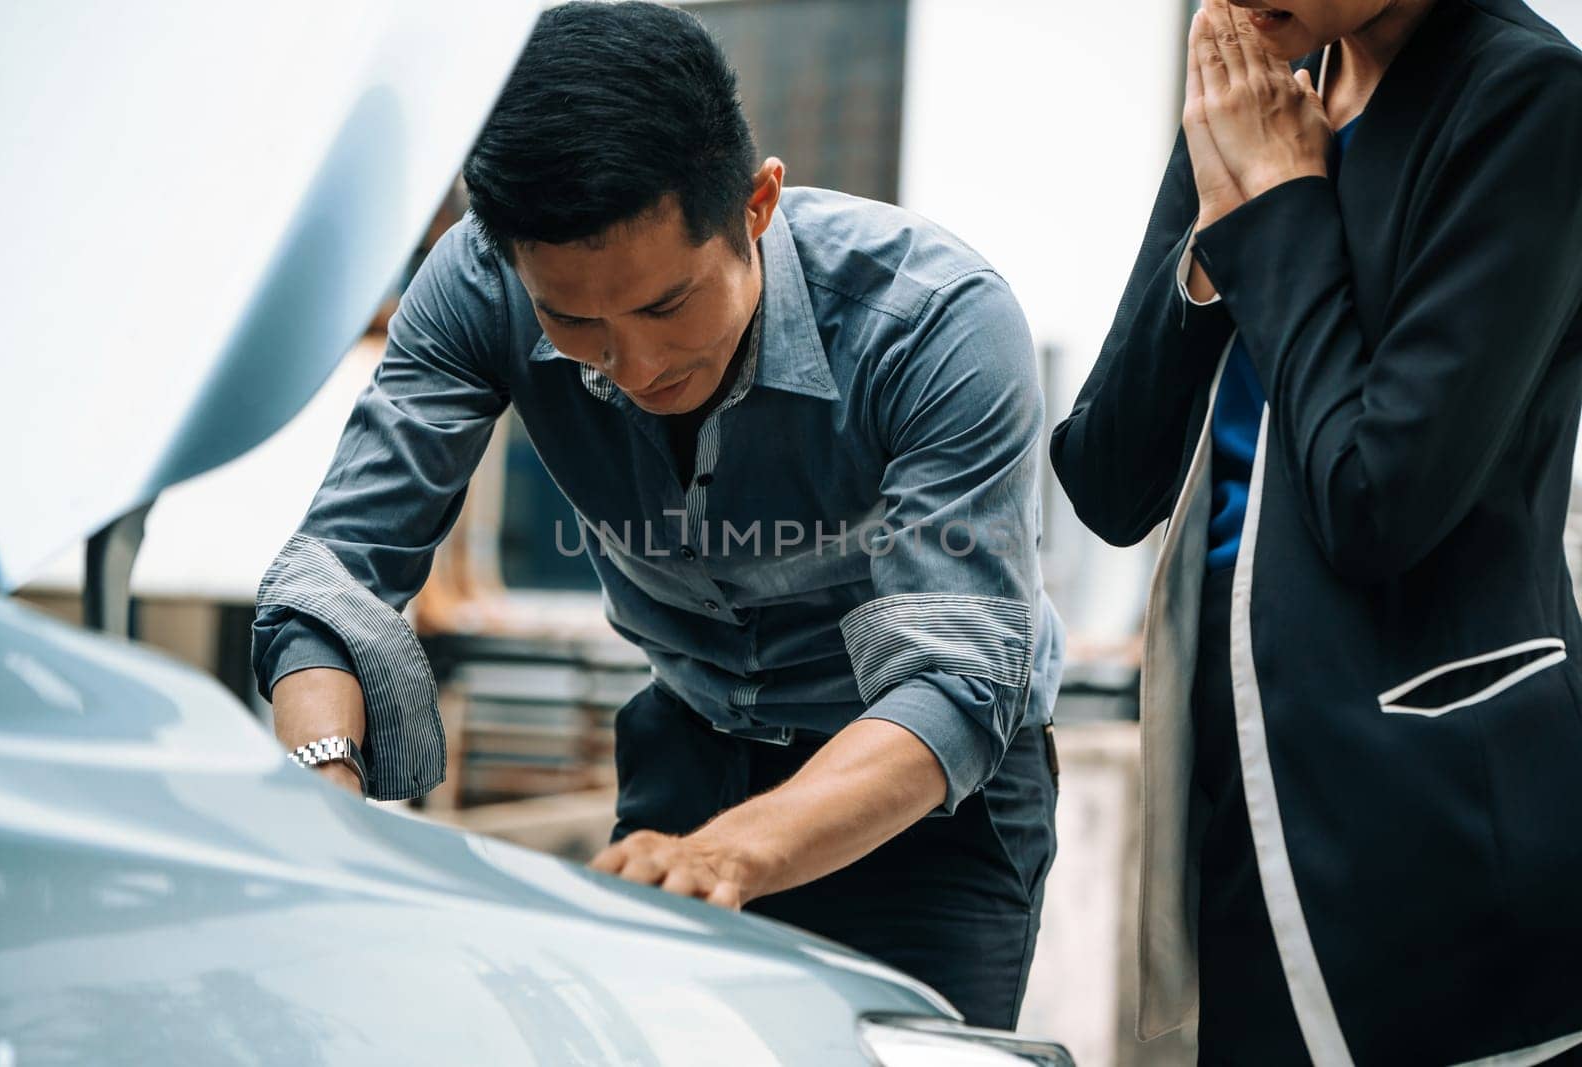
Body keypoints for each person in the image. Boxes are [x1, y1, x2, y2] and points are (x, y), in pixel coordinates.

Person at [252, 1, 1062, 1030]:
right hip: (689, 747)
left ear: (757, 205)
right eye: (573, 320)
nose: (630, 366)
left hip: (919, 800)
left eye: (668, 305)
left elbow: (956, 681)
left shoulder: (934, 321)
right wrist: (322, 796)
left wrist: (729, 852)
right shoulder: (476, 280)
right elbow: (333, 577)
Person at [1051, 0, 1582, 1061]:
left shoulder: (1527, 98)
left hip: (1435, 820)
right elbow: (1108, 477)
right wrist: (1219, 219)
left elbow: (1374, 501)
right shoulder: (1260, 88)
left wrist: (1283, 200)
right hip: (1237, 790)